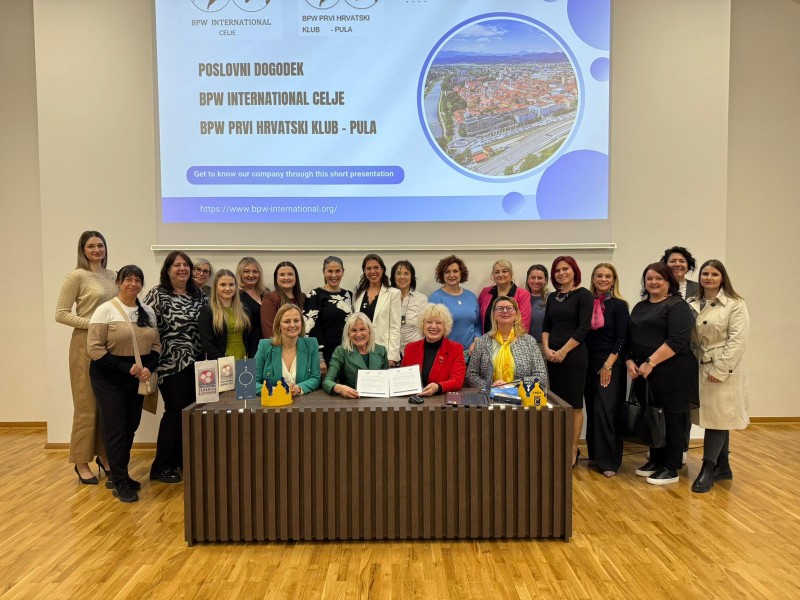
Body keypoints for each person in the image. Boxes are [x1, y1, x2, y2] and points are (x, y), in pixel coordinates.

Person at [87, 266, 161, 503]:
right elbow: (94, 348)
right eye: (128, 279)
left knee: (130, 426)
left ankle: (123, 475)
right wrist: (124, 367)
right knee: (116, 429)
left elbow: (156, 345)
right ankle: (118, 481)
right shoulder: (105, 310)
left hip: (137, 378)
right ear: (118, 282)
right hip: (109, 378)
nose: (133, 284)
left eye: (138, 280)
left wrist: (149, 367)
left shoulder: (147, 311)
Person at [626, 263, 698, 486]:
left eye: (659, 278)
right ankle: (656, 460)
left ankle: (671, 467)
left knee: (672, 418)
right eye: (649, 278)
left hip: (672, 372)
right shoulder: (640, 306)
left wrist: (651, 362)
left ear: (669, 282)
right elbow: (630, 337)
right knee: (652, 416)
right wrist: (629, 361)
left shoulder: (677, 305)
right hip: (645, 373)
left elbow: (677, 340)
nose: (654, 282)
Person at [55, 230, 117, 485]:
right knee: (86, 406)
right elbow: (61, 313)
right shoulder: (76, 277)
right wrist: (93, 323)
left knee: (107, 405)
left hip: (111, 345)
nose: (96, 250)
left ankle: (104, 456)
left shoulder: (113, 276)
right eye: (91, 246)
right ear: (83, 250)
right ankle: (81, 462)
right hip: (84, 344)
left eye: (100, 245)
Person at [144, 251, 208, 484]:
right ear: (168, 269)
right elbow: (146, 328)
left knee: (191, 413)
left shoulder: (198, 294)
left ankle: (182, 460)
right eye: (176, 265)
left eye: (185, 265)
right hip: (170, 364)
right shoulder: (157, 294)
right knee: (174, 412)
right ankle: (161, 466)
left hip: (198, 363)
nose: (182, 269)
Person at [687, 260, 749, 493]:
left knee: (718, 418)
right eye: (705, 273)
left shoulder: (735, 303)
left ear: (722, 277)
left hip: (723, 366)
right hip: (699, 363)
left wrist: (721, 369)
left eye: (714, 274)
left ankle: (708, 467)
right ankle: (723, 465)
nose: (709, 278)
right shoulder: (692, 302)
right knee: (717, 416)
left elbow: (738, 340)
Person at [542, 256, 592, 468]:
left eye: (566, 269)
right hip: (552, 356)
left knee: (574, 405)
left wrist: (563, 351)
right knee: (557, 404)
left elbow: (584, 328)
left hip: (573, 356)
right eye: (557, 270)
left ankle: (572, 449)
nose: (561, 273)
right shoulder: (553, 297)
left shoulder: (584, 295)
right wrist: (546, 349)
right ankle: (559, 447)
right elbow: (546, 326)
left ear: (574, 271)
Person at [584, 263, 630, 477]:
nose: (603, 279)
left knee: (606, 412)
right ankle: (595, 455)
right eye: (599, 275)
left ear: (613, 281)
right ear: (593, 279)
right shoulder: (587, 303)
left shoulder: (619, 305)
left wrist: (608, 365)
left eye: (608, 276)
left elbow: (622, 337)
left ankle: (610, 460)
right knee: (593, 410)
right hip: (588, 362)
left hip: (609, 363)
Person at [660, 245, 698, 463]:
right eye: (672, 261)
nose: (677, 264)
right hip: (663, 353)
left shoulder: (697, 289)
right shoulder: (659, 287)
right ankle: (660, 447)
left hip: (688, 353)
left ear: (688, 265)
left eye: (682, 261)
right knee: (663, 406)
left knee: (684, 406)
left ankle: (681, 447)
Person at [466, 296, 548, 390]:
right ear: (494, 314)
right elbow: (471, 374)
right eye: (500, 308)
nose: (505, 311)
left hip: (521, 396)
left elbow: (541, 376)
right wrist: (490, 386)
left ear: (516, 314)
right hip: (490, 395)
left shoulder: (529, 341)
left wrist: (511, 385)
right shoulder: (482, 342)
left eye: (509, 308)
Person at [255, 304, 321, 396]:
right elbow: (251, 383)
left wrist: (299, 388)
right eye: (287, 321)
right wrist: (273, 390)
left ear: (301, 323)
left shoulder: (312, 344)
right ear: (278, 325)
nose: (292, 325)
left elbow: (315, 378)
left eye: (296, 320)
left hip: (303, 402)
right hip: (273, 402)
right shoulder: (264, 346)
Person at [401, 304, 466, 396]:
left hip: (441, 400)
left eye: (438, 322)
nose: (433, 326)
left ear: (445, 326)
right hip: (414, 399)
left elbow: (457, 381)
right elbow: (403, 378)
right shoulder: (410, 348)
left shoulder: (456, 349)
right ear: (422, 325)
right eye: (429, 322)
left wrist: (438, 387)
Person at [304, 256, 353, 376]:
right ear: (324, 272)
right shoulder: (314, 295)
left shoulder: (349, 295)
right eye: (330, 271)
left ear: (343, 272)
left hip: (347, 352)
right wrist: (319, 357)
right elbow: (310, 329)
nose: (334, 275)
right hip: (325, 355)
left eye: (337, 271)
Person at [323, 312, 389, 398]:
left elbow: (387, 380)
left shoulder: (381, 350)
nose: (358, 334)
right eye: (353, 330)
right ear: (348, 333)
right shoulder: (340, 351)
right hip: (352, 400)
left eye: (362, 329)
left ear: (369, 331)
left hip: (378, 400)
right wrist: (339, 388)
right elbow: (327, 382)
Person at [198, 269, 259, 360]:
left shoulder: (244, 309)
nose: (227, 288)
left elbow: (252, 338)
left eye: (231, 285)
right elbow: (207, 344)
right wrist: (225, 362)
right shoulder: (207, 311)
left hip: (244, 361)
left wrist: (251, 359)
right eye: (223, 285)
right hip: (220, 362)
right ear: (216, 287)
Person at [428, 255, 481, 358]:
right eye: (447, 272)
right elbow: (433, 329)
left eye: (455, 271)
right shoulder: (436, 298)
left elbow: (477, 324)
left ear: (461, 273)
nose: (451, 275)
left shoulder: (471, 296)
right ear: (442, 275)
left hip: (471, 353)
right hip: (446, 354)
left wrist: (476, 341)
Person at [353, 254, 401, 366]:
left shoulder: (393, 293)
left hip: (383, 350)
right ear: (364, 271)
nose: (372, 271)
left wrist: (392, 356)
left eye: (376, 267)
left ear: (382, 270)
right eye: (368, 268)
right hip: (360, 349)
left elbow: (395, 327)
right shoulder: (358, 293)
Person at [478, 259, 532, 333]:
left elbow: (524, 323)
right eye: (497, 272)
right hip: (487, 338)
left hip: (513, 339)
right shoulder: (485, 292)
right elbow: (477, 318)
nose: (500, 275)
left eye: (504, 271)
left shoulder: (523, 294)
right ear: (493, 275)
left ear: (511, 274)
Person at [391, 260, 428, 356]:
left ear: (412, 277)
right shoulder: (387, 297)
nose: (402, 277)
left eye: (406, 273)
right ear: (393, 277)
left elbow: (426, 327)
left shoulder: (421, 299)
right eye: (398, 273)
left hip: (415, 351)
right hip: (392, 352)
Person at [261, 261, 304, 338]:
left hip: (302, 343)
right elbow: (269, 331)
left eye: (290, 274)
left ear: (296, 277)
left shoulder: (303, 297)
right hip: (279, 344)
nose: (286, 278)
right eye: (282, 275)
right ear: (276, 279)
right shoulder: (270, 298)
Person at [236, 256, 268, 341]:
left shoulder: (266, 293)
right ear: (240, 274)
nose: (251, 275)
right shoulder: (236, 295)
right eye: (246, 271)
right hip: (248, 342)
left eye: (255, 271)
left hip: (268, 341)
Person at [525, 264, 550, 344]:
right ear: (527, 280)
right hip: (525, 344)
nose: (536, 281)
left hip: (545, 344)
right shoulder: (522, 298)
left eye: (540, 278)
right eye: (533, 277)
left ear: (545, 280)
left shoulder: (551, 298)